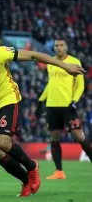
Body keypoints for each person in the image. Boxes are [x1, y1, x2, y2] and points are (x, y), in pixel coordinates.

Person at [0, 25, 85, 197]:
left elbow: (33, 55)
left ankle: (32, 166)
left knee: (3, 141)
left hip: (9, 99)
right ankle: (26, 181)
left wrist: (64, 66)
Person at [36, 39, 92, 179]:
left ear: (66, 47)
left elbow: (80, 85)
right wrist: (40, 100)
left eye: (61, 45)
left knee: (79, 136)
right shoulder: (51, 63)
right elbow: (51, 84)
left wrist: (74, 100)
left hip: (68, 106)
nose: (59, 48)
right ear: (53, 47)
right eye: (56, 45)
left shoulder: (74, 62)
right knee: (54, 138)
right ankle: (59, 171)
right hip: (52, 106)